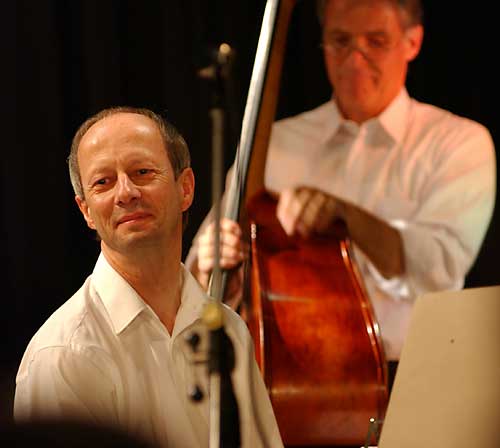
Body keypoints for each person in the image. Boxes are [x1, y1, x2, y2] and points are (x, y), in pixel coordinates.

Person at [186, 0, 496, 372]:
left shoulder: (457, 142)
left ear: (412, 42)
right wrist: (209, 265)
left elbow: (436, 270)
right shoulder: (275, 142)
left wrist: (345, 216)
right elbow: (197, 280)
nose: (355, 58)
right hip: (284, 377)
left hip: (413, 372)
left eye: (376, 41)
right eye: (340, 41)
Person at [13, 107, 284, 448]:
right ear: (86, 212)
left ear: (185, 188)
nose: (125, 192)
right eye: (103, 182)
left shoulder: (230, 332)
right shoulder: (62, 354)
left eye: (142, 172)